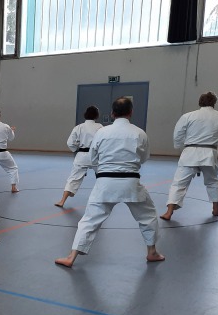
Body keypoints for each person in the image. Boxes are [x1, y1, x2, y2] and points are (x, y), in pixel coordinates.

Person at [55, 97, 164, 267]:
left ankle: (71, 257)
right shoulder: (139, 133)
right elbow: (144, 158)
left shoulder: (102, 132)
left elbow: (94, 158)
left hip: (105, 183)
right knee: (148, 216)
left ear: (112, 113)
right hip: (131, 182)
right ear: (131, 112)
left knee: (89, 220)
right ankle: (152, 252)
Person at [160, 92, 218, 221]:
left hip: (190, 152)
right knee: (213, 181)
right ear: (214, 103)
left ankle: (169, 212)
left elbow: (178, 133)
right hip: (210, 152)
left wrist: (178, 146)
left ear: (200, 102)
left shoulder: (188, 116)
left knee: (179, 183)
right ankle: (216, 209)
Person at [55, 106, 103, 208]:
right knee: (102, 177)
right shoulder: (100, 127)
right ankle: (103, 200)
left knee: (73, 178)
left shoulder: (79, 127)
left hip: (82, 155)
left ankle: (62, 201)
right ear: (97, 115)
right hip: (96, 156)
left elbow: (70, 143)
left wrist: (76, 148)